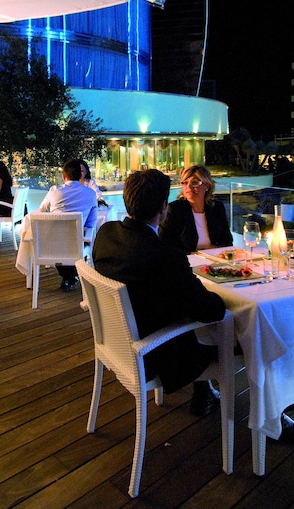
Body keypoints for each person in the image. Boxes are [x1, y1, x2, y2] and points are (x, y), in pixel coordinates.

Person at [91, 169, 225, 417]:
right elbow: (210, 311)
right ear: (163, 208)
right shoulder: (165, 257)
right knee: (242, 334)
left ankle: (205, 392)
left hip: (119, 341)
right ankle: (272, 413)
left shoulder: (107, 234)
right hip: (158, 353)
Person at [37, 159, 99, 291]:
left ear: (63, 176)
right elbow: (91, 223)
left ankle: (68, 277)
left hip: (51, 245)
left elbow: (42, 210)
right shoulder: (90, 194)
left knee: (59, 244)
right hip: (77, 243)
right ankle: (71, 276)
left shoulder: (54, 191)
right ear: (80, 175)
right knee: (76, 242)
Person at [159, 165, 233, 254]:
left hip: (214, 259)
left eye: (194, 182)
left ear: (207, 186)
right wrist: (193, 254)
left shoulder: (217, 207)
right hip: (186, 260)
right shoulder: (175, 209)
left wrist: (214, 252)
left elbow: (227, 241)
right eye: (185, 183)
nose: (189, 187)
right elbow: (164, 245)